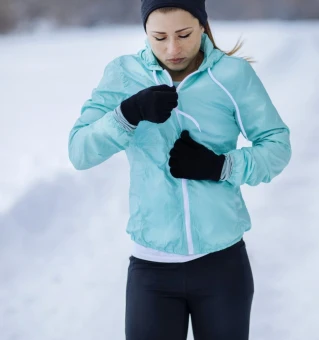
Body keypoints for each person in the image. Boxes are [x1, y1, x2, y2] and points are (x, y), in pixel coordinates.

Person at [67, 0, 292, 339]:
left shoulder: (231, 76)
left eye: (183, 34)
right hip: (152, 271)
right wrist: (128, 113)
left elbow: (277, 146)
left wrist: (220, 166)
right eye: (159, 37)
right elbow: (79, 151)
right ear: (145, 32)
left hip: (222, 266)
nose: (172, 49)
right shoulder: (124, 75)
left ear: (203, 25)